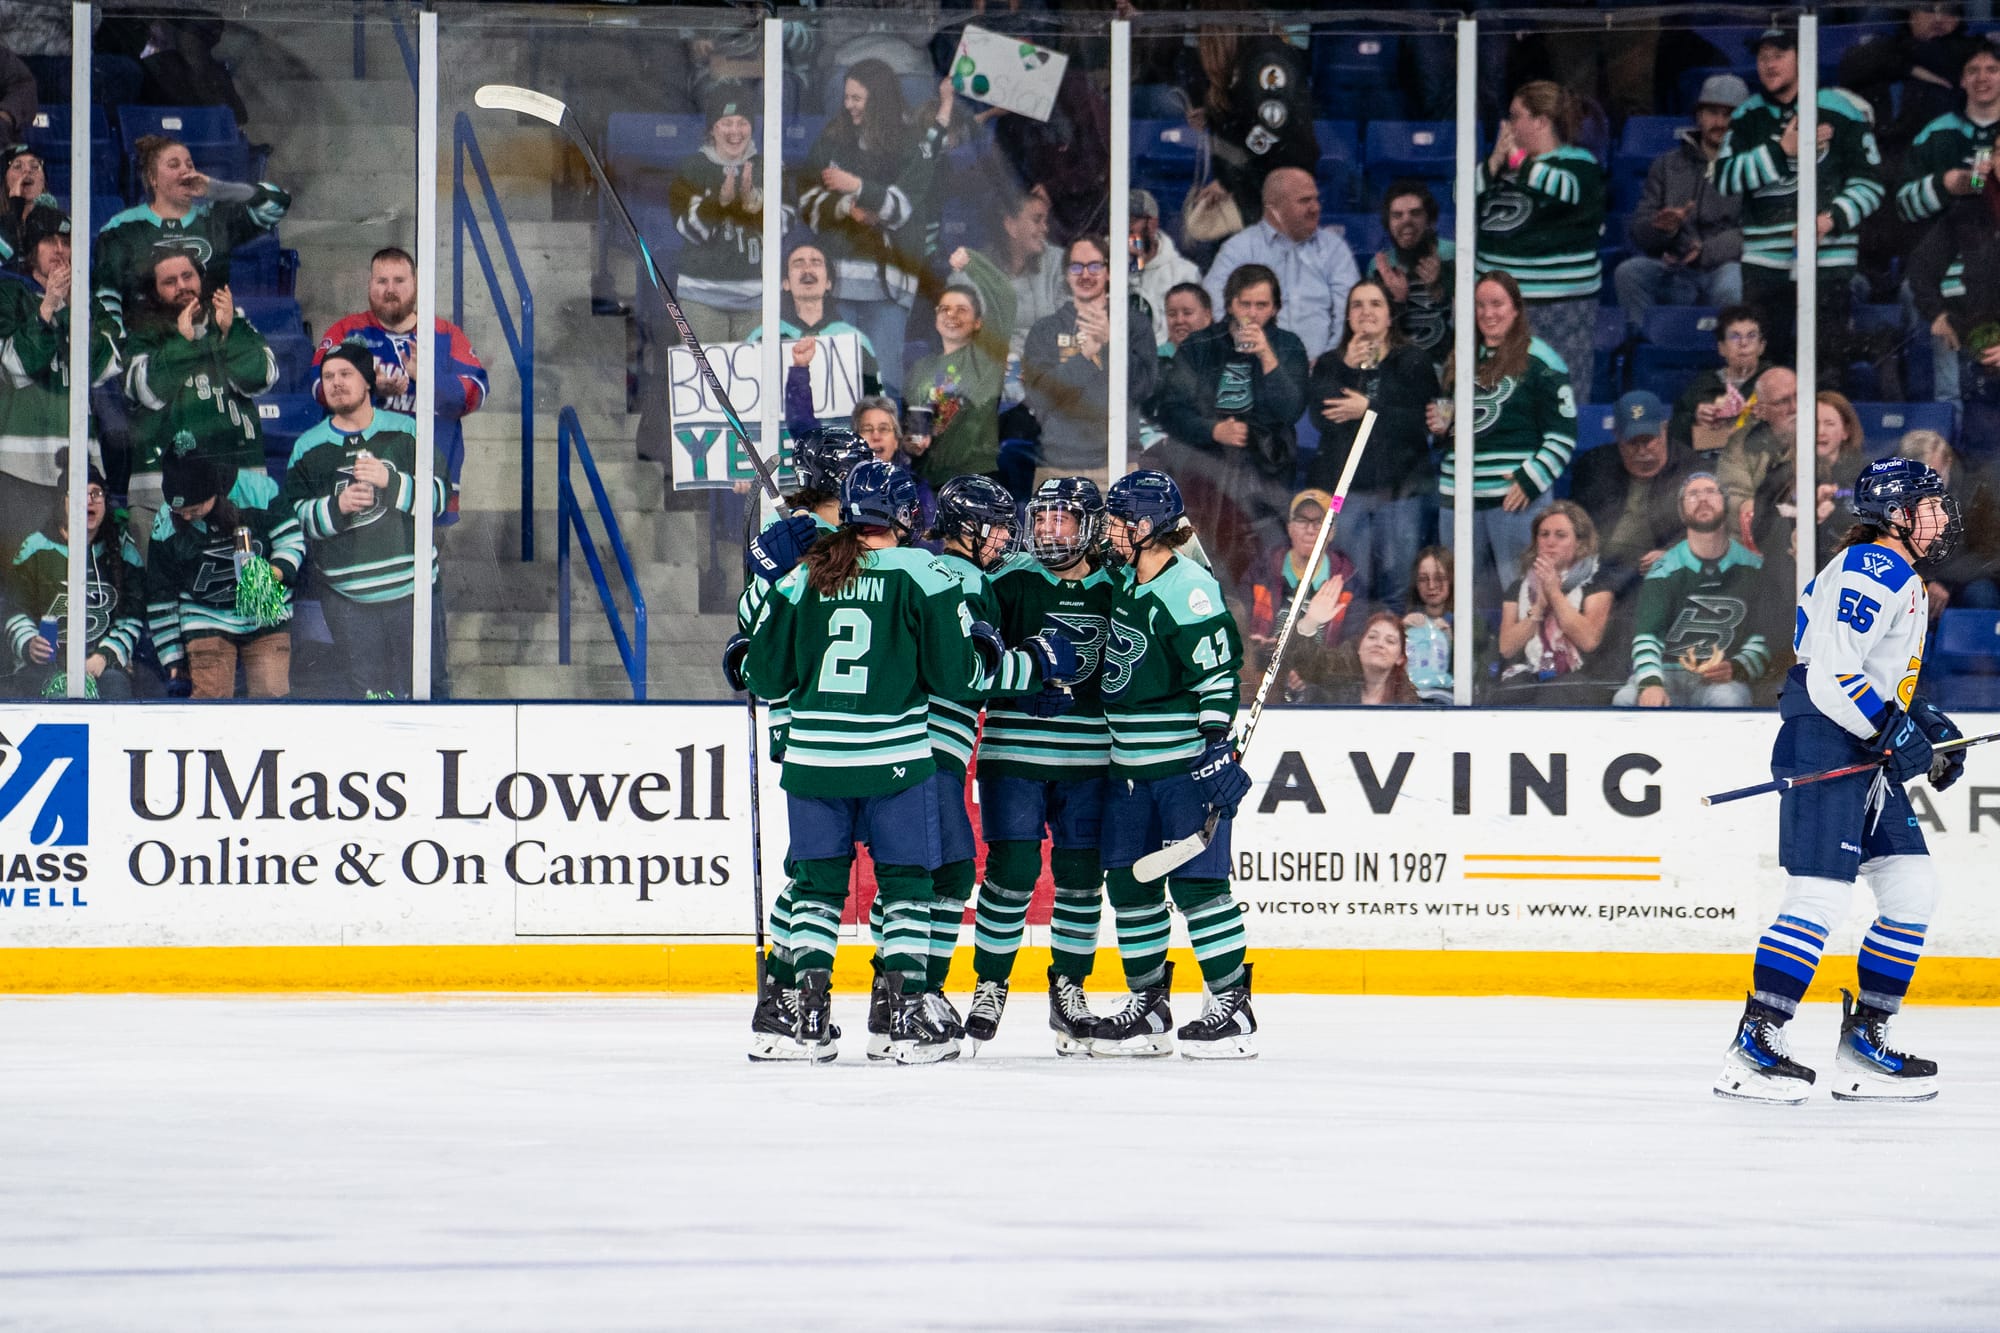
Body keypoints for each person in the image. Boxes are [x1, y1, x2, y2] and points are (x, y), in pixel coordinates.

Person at [729, 460, 1059, 1064]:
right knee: (910, 883)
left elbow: (763, 673)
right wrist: (1030, 665)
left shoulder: (804, 577)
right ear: (906, 516)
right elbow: (956, 675)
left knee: (815, 889)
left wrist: (754, 621)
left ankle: (800, 1013)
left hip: (814, 759)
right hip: (897, 758)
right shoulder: (925, 572)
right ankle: (905, 1012)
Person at [1715, 457, 1964, 1105]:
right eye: (1929, 504)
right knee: (1819, 897)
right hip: (1826, 743)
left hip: (1858, 744)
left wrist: (1922, 724)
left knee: (1911, 887)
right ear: (1897, 515)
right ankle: (1754, 1042)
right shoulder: (1874, 567)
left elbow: (1874, 675)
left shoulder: (1894, 572)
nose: (1941, 516)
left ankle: (1863, 1047)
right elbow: (1830, 673)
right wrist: (1893, 728)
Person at [859, 475, 1076, 1061]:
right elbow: (964, 670)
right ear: (965, 529)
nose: (1007, 537)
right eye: (999, 527)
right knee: (942, 874)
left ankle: (893, 997)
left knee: (932, 870)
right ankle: (914, 998)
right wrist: (1033, 672)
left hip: (905, 744)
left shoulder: (922, 568)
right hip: (929, 748)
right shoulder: (968, 580)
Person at [1087, 469, 1257, 1059]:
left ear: (1145, 526)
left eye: (1116, 520)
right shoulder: (1128, 579)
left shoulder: (1189, 588)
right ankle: (1150, 1007)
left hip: (1182, 768)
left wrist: (1216, 747)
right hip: (1126, 769)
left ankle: (1232, 1006)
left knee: (1199, 886)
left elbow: (1215, 673)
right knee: (1130, 888)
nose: (1108, 531)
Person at [733, 428, 874, 1060]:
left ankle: (781, 994)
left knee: (809, 869)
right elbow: (751, 639)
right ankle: (785, 996)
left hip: (845, 724)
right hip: (810, 721)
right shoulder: (787, 544)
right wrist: (768, 571)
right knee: (815, 870)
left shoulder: (854, 541)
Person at [967, 476, 1117, 1054]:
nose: (1051, 530)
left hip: (1090, 760)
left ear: (1093, 525)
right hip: (1013, 754)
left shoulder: (1119, 589)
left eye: (1065, 519)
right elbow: (976, 660)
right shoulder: (1007, 581)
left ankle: (1070, 988)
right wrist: (1020, 689)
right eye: (1044, 517)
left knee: (1082, 878)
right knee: (1013, 870)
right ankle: (990, 984)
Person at [281, 341, 449, 700]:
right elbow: (293, 519)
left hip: (412, 591)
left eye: (345, 374)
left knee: (431, 691)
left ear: (368, 381)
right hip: (348, 599)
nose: (336, 383)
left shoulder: (407, 431)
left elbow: (438, 499)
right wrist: (336, 506)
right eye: (328, 376)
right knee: (367, 697)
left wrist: (391, 482)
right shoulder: (307, 447)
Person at [1715, 27, 1884, 369]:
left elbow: (1871, 183)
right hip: (1765, 264)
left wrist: (1831, 219)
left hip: (1828, 258)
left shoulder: (1842, 110)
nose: (1769, 64)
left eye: (1779, 55)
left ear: (1803, 56)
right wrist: (1781, 151)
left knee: (1826, 364)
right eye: (1763, 57)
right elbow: (1724, 179)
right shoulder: (1748, 115)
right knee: (1765, 366)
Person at [1153, 263, 1310, 587]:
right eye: (1245, 304)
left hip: (1266, 476)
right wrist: (1212, 429)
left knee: (1264, 567)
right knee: (1205, 565)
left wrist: (1267, 355)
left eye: (1261, 305)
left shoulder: (1288, 345)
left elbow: (1292, 409)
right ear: (1229, 305)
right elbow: (1170, 409)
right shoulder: (1200, 344)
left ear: (1276, 308)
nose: (1252, 314)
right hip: (1206, 475)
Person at [311, 247, 489, 529]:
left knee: (427, 569)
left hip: (429, 478)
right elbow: (319, 387)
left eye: (399, 281)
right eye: (381, 281)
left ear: (416, 284)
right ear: (370, 285)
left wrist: (429, 380)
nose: (390, 290)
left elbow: (475, 393)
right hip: (358, 481)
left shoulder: (443, 334)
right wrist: (367, 387)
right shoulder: (347, 331)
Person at [1426, 272, 1578, 599]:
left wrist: (1529, 479)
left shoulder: (1541, 360)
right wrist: (1442, 428)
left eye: (1497, 304)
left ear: (1516, 309)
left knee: (1525, 595)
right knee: (1457, 597)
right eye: (1480, 305)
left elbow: (1563, 434)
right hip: (1458, 498)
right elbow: (1452, 429)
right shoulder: (1461, 357)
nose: (1488, 313)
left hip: (1514, 499)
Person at [122, 250, 277, 550]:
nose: (181, 286)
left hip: (237, 488)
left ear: (202, 280)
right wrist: (184, 342)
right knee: (160, 588)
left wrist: (230, 331)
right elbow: (147, 390)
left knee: (238, 584)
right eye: (169, 281)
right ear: (154, 291)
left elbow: (262, 378)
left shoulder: (234, 325)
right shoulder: (142, 336)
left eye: (187, 276)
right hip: (161, 496)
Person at [1306, 277, 1440, 608]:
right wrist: (1347, 367)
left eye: (1375, 304)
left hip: (1400, 493)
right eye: (1358, 305)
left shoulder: (1412, 360)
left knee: (1399, 584)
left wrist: (1368, 410)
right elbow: (1321, 417)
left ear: (1390, 315)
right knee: (1347, 584)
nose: (1366, 312)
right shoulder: (1330, 363)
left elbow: (1421, 423)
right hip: (1345, 496)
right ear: (1348, 316)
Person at [795, 59, 922, 399]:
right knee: (836, 386)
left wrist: (855, 185)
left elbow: (904, 207)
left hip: (889, 288)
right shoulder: (833, 139)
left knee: (886, 383)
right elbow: (806, 202)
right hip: (837, 285)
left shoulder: (909, 143)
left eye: (857, 98)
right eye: (846, 97)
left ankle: (885, 454)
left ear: (879, 100)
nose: (848, 105)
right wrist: (844, 208)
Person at [1476, 80, 1607, 403]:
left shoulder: (1578, 163)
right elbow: (1462, 201)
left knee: (1558, 393)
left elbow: (1566, 190)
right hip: (1499, 306)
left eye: (1515, 116)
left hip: (1559, 305)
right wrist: (1493, 163)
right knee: (1504, 396)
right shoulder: (1500, 167)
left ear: (1541, 121)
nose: (1507, 126)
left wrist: (1519, 162)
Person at [145, 446, 301, 700]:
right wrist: (172, 656)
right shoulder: (166, 521)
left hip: (264, 612)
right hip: (204, 614)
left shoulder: (258, 491)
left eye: (193, 510)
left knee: (271, 693)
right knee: (210, 698)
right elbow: (160, 592)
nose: (185, 516)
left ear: (213, 493)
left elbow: (291, 539)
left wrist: (273, 574)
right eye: (178, 512)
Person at [94, 134, 289, 336]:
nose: (185, 171)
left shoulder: (214, 218)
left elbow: (277, 203)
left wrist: (216, 188)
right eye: (173, 165)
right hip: (150, 347)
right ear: (153, 179)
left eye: (189, 164)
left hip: (211, 345)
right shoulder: (122, 228)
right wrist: (122, 354)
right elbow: (106, 299)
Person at [0, 224, 116, 560]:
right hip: (19, 468)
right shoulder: (10, 296)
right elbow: (16, 366)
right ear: (31, 252)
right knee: (21, 572)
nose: (60, 248)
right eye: (50, 239)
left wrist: (71, 307)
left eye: (67, 241)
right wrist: (48, 306)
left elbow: (104, 368)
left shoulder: (88, 304)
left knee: (77, 574)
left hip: (80, 467)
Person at [1898, 35, 2000, 417]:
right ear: (1960, 79)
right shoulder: (1936, 132)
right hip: (1949, 275)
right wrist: (1944, 184)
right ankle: (1948, 432)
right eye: (1972, 70)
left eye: (1992, 68)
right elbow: (1903, 206)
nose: (1982, 77)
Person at [1614, 472, 1769, 708]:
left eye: (1710, 492)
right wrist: (1650, 683)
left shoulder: (1753, 567)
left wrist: (1738, 667)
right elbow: (1647, 635)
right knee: (1626, 699)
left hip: (1719, 679)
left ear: (1726, 504)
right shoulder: (1665, 569)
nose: (1703, 499)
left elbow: (1764, 637)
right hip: (1667, 672)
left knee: (1728, 699)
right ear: (1681, 511)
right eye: (1693, 494)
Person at [1614, 74, 1749, 335]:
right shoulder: (1667, 165)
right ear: (1699, 116)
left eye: (1728, 114)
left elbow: (1754, 229)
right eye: (1712, 112)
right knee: (1629, 273)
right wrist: (1663, 228)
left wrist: (1704, 251)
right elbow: (1639, 230)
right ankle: (1644, 348)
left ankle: (1729, 355)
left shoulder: (1752, 166)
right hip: (1675, 267)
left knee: (1732, 283)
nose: (1720, 122)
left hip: (1724, 266)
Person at [1021, 234, 1157, 488]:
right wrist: (1084, 357)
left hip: (1117, 465)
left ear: (1108, 271)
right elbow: (1040, 397)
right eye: (1076, 267)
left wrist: (1108, 345)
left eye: (1095, 266)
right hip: (1057, 468)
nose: (1086, 274)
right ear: (1065, 274)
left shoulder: (1135, 324)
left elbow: (1143, 388)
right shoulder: (1045, 330)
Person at [6, 467, 143, 699]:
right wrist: (29, 643)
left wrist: (105, 655)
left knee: (116, 690)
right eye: (79, 493)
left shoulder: (121, 548)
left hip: (103, 664)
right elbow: (13, 607)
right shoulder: (36, 546)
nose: (89, 501)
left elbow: (134, 612)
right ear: (63, 502)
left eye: (96, 493)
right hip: (45, 665)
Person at [1202, 167, 1359, 363]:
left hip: (1321, 370)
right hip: (1254, 367)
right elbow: (1212, 304)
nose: (1315, 208)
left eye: (1316, 199)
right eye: (1304, 201)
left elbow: (1350, 311)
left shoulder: (1334, 249)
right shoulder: (1239, 248)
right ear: (1273, 208)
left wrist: (1329, 362)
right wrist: (1250, 353)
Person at [1183, 24, 1316, 233]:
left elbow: (1270, 128)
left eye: (1204, 39)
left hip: (1273, 195)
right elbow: (1246, 121)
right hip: (1250, 194)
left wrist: (1229, 182)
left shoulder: (1267, 58)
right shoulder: (1242, 62)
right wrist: (1212, 114)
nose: (1201, 48)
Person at [664, 84, 766, 343]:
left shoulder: (767, 165)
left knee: (754, 382)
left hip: (758, 299)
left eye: (742, 122)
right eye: (726, 122)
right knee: (706, 382)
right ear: (712, 128)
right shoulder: (691, 168)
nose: (735, 131)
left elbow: (784, 225)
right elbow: (688, 229)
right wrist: (719, 203)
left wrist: (753, 204)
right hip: (701, 298)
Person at [1239, 488, 1356, 700]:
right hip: (1260, 678)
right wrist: (1251, 644)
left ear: (1332, 532)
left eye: (1319, 521)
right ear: (1289, 527)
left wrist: (1312, 675)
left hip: (1320, 686)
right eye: (1302, 520)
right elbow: (1238, 622)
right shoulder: (1260, 573)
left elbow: (1349, 654)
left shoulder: (1348, 583)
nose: (1310, 529)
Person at [1495, 500, 1613, 697]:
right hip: (1530, 673)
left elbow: (1588, 640)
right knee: (1509, 694)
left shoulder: (1597, 583)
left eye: (1561, 535)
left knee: (1557, 694)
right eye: (1544, 534)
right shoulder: (1518, 588)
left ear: (1580, 543)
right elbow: (1506, 648)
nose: (1550, 542)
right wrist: (1540, 605)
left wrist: (1554, 593)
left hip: (1581, 677)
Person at [904, 284, 1002, 488]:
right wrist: (910, 443)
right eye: (944, 309)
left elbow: (1006, 300)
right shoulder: (921, 367)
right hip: (927, 478)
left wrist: (971, 263)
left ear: (978, 322)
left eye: (961, 309)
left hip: (973, 478)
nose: (951, 315)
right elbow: (910, 423)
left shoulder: (985, 361)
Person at [1897, 428, 2000, 612]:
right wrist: (1923, 582)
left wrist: (1943, 581)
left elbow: (1988, 555)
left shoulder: (1976, 492)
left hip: (1964, 579)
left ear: (1948, 463)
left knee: (1982, 595)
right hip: (1918, 577)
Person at [1715, 364, 1800, 556]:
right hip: (1759, 547)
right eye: (1783, 402)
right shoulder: (1741, 445)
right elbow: (1734, 502)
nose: (1794, 408)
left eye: (1798, 397)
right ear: (1761, 411)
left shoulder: (1821, 436)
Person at [1667, 305, 1775, 457]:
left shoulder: (1776, 382)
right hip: (1708, 467)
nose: (1743, 343)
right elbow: (1673, 437)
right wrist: (1696, 420)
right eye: (1735, 336)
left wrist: (1771, 418)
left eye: (1751, 336)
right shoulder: (1702, 385)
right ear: (1721, 348)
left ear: (1761, 346)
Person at [1369, 179, 1454, 369]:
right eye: (1397, 215)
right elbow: (1373, 336)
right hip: (1399, 372)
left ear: (1429, 219)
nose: (1406, 221)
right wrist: (1395, 301)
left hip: (1449, 369)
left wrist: (1443, 283)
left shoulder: (1453, 255)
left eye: (1415, 213)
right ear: (1388, 223)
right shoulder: (1379, 267)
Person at [1128, 189, 1200, 348]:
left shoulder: (1184, 273)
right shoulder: (1104, 267)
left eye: (1132, 221)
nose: (1126, 228)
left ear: (1152, 224)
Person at [1811, 392, 1868, 564]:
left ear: (1845, 431)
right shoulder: (1787, 473)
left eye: (1829, 424)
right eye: (1815, 423)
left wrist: (1833, 514)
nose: (1820, 432)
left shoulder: (1866, 476)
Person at [1321, 610, 1421, 706]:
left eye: (1390, 641)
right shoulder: (1331, 693)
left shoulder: (1407, 702)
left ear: (1400, 658)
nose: (1379, 644)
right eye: (1372, 637)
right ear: (1359, 648)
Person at [1402, 546, 1456, 704]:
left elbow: (1476, 675)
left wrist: (1452, 642)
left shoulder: (1469, 622)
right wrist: (1398, 632)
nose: (1431, 586)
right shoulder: (1406, 621)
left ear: (1451, 579)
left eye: (1439, 578)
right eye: (1423, 579)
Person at [0, 142, 60, 270]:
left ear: (43, 182)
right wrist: (15, 210)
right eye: (17, 166)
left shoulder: (59, 221)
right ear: (4, 181)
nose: (27, 171)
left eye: (35, 166)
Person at [1161, 282, 1212, 353]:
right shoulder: (1154, 359)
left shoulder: (1223, 355)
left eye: (1187, 313)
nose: (1179, 320)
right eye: (1172, 314)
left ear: (1207, 316)